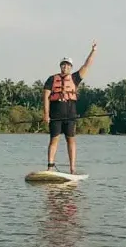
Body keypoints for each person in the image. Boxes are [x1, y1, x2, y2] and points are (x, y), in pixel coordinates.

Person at [42, 40, 97, 174]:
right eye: (63, 65)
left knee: (71, 140)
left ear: (71, 67)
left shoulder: (75, 78)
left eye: (67, 65)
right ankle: (50, 166)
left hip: (70, 114)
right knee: (54, 139)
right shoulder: (51, 79)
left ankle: (72, 169)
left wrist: (93, 51)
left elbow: (87, 65)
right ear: (60, 66)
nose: (65, 67)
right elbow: (45, 97)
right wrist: (46, 114)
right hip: (55, 115)